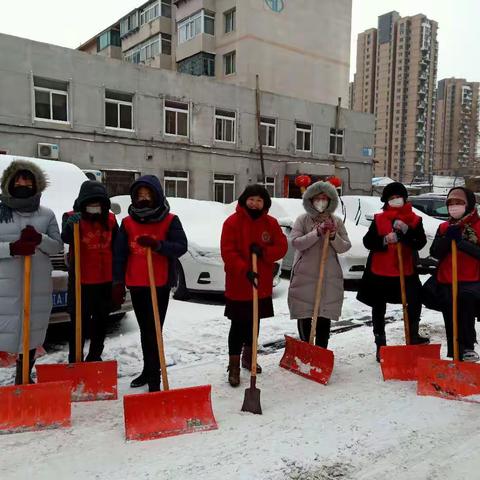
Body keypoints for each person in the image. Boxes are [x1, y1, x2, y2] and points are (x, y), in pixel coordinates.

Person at [113, 175, 187, 392]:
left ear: (157, 196)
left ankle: (154, 375)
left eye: (148, 194)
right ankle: (150, 370)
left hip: (160, 282)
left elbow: (181, 246)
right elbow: (119, 254)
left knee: (154, 330)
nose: (144, 198)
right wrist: (117, 282)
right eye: (139, 195)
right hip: (137, 282)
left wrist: (158, 245)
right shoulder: (127, 222)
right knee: (146, 329)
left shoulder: (170, 219)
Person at [0, 159, 63, 384]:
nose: (23, 183)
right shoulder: (0, 213)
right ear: (9, 182)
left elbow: (58, 246)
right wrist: (12, 248)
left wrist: (39, 239)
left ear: (36, 184)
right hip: (4, 287)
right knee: (4, 334)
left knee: (31, 334)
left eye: (27, 180)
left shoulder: (46, 215)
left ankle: (23, 378)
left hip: (36, 286)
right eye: (18, 179)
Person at [221, 184, 288, 387]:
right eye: (251, 199)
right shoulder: (232, 222)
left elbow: (282, 246)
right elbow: (228, 251)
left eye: (259, 200)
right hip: (239, 282)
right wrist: (245, 269)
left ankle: (248, 358)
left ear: (264, 203)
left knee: (254, 323)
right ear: (244, 200)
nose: (255, 203)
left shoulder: (271, 223)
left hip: (261, 283)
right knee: (238, 324)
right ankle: (233, 365)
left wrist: (265, 253)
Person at [357, 182, 429, 361]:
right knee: (378, 307)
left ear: (405, 198)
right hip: (380, 272)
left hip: (405, 271)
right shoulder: (379, 219)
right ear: (386, 201)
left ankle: (412, 336)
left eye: (398, 197)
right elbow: (368, 242)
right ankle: (380, 343)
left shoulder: (415, 220)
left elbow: (419, 242)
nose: (396, 200)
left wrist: (407, 232)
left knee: (414, 301)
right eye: (392, 198)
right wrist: (383, 240)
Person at [288, 180, 351, 347]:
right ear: (310, 200)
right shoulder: (303, 220)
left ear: (331, 201)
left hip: (328, 277)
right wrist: (317, 232)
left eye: (325, 198)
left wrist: (332, 236)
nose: (321, 202)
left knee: (324, 314)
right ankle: (307, 348)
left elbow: (345, 246)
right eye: (317, 198)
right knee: (305, 313)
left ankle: (322, 350)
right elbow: (296, 243)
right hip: (305, 276)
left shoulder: (336, 221)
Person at [61, 180, 119, 363]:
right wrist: (70, 226)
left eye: (98, 204)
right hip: (81, 281)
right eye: (90, 204)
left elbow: (117, 247)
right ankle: (75, 359)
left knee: (101, 322)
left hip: (104, 281)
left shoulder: (110, 220)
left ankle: (95, 356)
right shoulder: (72, 217)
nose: (94, 208)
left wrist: (118, 280)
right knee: (79, 323)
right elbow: (66, 238)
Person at [423, 187, 480, 362]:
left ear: (468, 204)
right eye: (451, 203)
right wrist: (447, 239)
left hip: (472, 278)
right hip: (447, 278)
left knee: (465, 303)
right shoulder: (444, 227)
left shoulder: (478, 226)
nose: (454, 207)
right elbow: (435, 252)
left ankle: (468, 347)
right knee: (450, 312)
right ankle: (455, 351)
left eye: (459, 203)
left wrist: (461, 243)